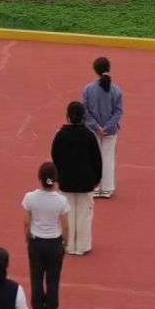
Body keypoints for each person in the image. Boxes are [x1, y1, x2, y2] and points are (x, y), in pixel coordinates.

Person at [51, 101, 103, 255]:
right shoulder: (90, 136)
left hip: (66, 181)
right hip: (86, 182)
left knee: (67, 213)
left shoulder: (60, 135)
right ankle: (83, 245)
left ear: (67, 117)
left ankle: (69, 245)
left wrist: (58, 176)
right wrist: (97, 179)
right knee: (84, 215)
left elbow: (55, 156)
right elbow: (97, 160)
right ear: (84, 117)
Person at [22, 162, 70, 309]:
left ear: (40, 178)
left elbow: (26, 222)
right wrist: (65, 242)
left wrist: (27, 238)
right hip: (54, 243)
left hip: (36, 242)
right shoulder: (61, 200)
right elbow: (65, 226)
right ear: (55, 179)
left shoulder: (30, 197)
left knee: (36, 278)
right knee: (53, 280)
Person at [82, 57, 124, 199]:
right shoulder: (116, 90)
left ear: (95, 70)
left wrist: (96, 126)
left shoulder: (88, 89)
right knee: (108, 157)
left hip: (92, 130)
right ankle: (107, 188)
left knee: (92, 157)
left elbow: (85, 110)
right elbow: (118, 111)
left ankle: (93, 186)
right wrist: (107, 126)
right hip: (110, 131)